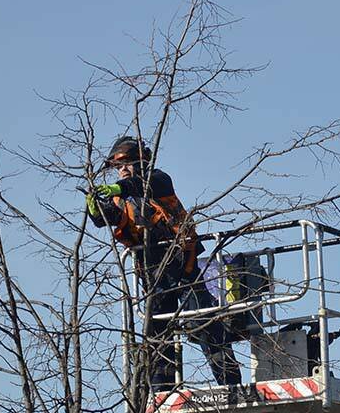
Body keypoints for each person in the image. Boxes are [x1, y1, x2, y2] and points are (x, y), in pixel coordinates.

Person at [87, 136, 241, 391]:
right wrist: (95, 208)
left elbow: (147, 186)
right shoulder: (122, 197)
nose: (122, 170)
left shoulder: (158, 180)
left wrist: (119, 188)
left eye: (126, 163)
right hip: (152, 274)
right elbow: (109, 217)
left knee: (206, 326)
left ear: (142, 160)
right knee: (156, 336)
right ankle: (161, 392)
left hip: (183, 268)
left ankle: (231, 385)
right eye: (117, 167)